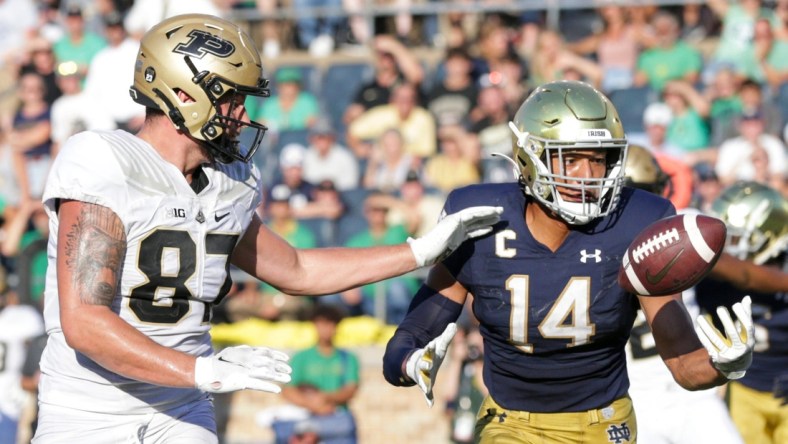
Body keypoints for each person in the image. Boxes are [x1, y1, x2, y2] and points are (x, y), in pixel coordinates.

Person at [33, 14, 502, 443]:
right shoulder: (104, 161)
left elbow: (296, 269)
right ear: (183, 94)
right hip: (89, 408)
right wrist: (201, 371)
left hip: (180, 409)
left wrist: (419, 252)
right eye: (231, 99)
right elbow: (84, 322)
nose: (241, 115)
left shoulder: (228, 181)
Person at [382, 80, 754, 442]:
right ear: (530, 158)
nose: (587, 176)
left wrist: (721, 366)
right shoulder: (480, 218)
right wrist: (409, 363)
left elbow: (683, 365)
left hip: (603, 423)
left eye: (598, 159)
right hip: (509, 422)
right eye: (570, 159)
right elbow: (413, 335)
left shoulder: (637, 221)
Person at [699, 181, 788, 444]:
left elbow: (747, 275)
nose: (726, 250)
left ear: (769, 235)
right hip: (744, 390)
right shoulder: (714, 285)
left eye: (735, 239)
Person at [277, 304, 360, 444]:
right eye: (321, 324)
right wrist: (312, 405)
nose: (325, 329)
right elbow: (287, 389)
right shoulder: (301, 357)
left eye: (330, 324)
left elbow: (350, 389)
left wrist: (327, 398)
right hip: (306, 420)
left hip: (336, 422)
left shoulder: (348, 358)